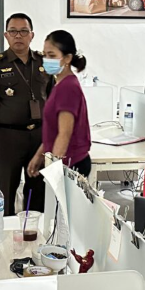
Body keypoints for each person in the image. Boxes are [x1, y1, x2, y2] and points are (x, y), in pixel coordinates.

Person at [0, 13, 49, 216]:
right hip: (9, 137)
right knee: (5, 192)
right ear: (6, 35)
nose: (18, 36)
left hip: (40, 137)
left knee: (38, 192)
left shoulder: (45, 62)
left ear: (31, 35)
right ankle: (5, 239)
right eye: (13, 31)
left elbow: (57, 98)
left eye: (23, 31)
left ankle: (33, 238)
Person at [27, 30, 91, 179]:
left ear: (67, 58)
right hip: (63, 161)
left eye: (52, 55)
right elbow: (53, 130)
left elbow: (64, 133)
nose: (46, 59)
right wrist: (39, 155)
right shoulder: (60, 84)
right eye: (45, 55)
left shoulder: (68, 87)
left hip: (70, 164)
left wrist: (54, 169)